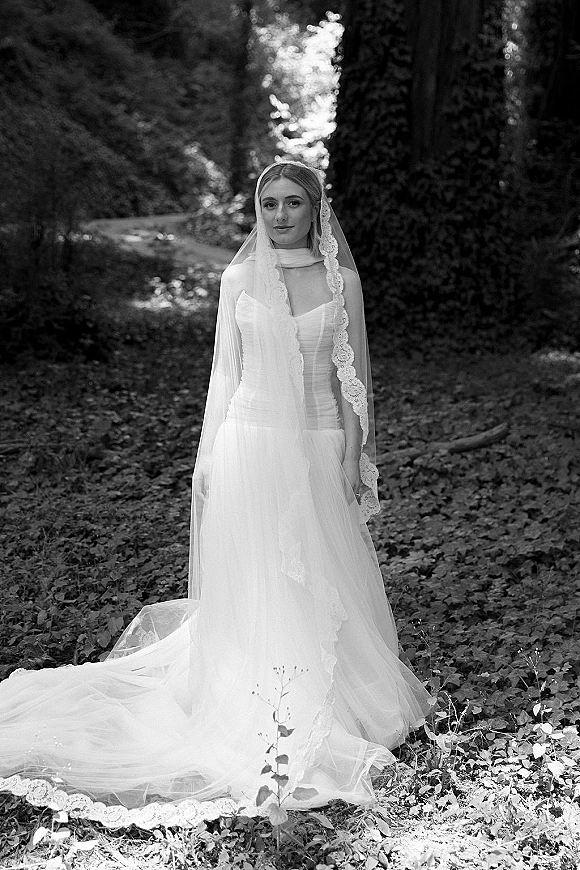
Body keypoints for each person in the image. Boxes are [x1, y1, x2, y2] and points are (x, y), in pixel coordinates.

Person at [0, 162, 432, 830]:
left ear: (316, 209)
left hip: (317, 448)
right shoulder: (238, 279)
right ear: (256, 209)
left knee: (317, 579)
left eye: (294, 202)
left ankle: (322, 698)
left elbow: (354, 381)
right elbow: (224, 375)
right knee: (257, 582)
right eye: (269, 203)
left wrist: (353, 455)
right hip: (249, 446)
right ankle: (252, 698)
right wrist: (207, 458)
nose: (281, 214)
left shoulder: (343, 282)